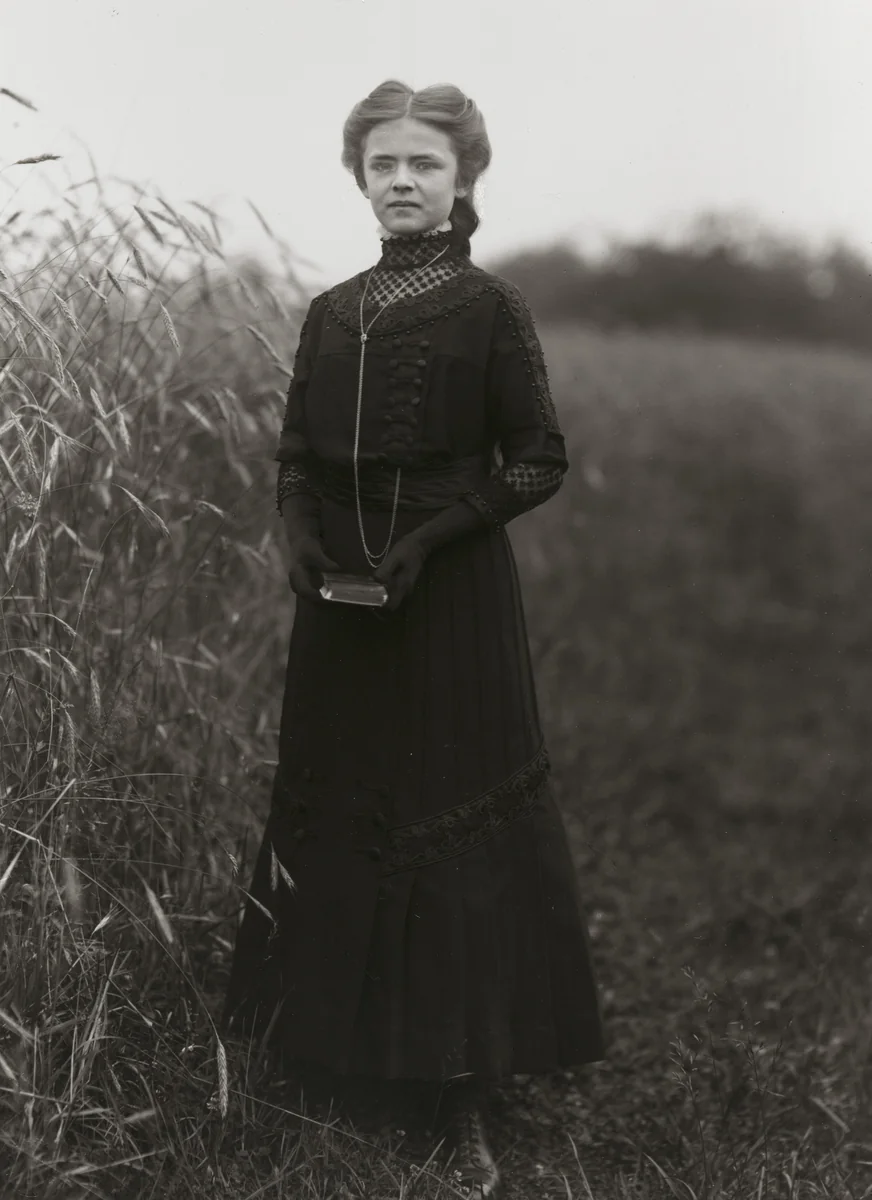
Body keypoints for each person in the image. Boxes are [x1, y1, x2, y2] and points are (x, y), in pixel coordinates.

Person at [222, 79, 605, 1198]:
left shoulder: (492, 310)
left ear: (462, 180)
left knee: (444, 806)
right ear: (359, 177)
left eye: (422, 165)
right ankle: (333, 1056)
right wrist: (296, 532)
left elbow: (537, 459)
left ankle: (453, 1097)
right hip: (337, 592)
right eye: (382, 164)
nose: (400, 181)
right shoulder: (331, 310)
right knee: (337, 790)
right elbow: (295, 448)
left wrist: (433, 539)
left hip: (447, 590)